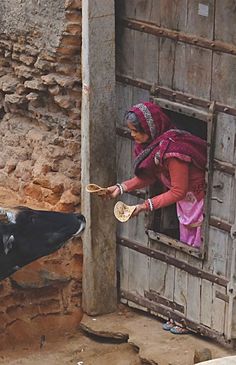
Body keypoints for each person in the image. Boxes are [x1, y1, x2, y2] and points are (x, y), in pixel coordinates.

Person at [106, 102, 207, 334]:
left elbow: (178, 191)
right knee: (187, 254)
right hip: (186, 207)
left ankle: (191, 318)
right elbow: (150, 176)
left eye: (135, 131)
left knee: (195, 259)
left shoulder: (173, 152)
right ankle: (183, 316)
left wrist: (144, 206)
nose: (132, 136)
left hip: (197, 204)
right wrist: (119, 188)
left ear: (150, 128)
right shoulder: (155, 146)